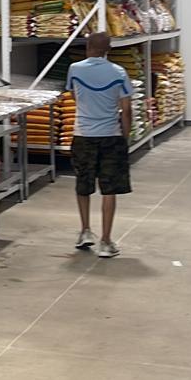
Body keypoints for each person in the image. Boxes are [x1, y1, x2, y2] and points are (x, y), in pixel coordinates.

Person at [67, 32, 133, 258]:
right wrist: (124, 137)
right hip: (110, 136)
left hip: (83, 135)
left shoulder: (75, 69)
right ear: (109, 49)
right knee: (109, 189)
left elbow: (75, 97)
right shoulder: (118, 72)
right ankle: (105, 241)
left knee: (83, 184)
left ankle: (85, 231)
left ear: (87, 47)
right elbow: (126, 110)